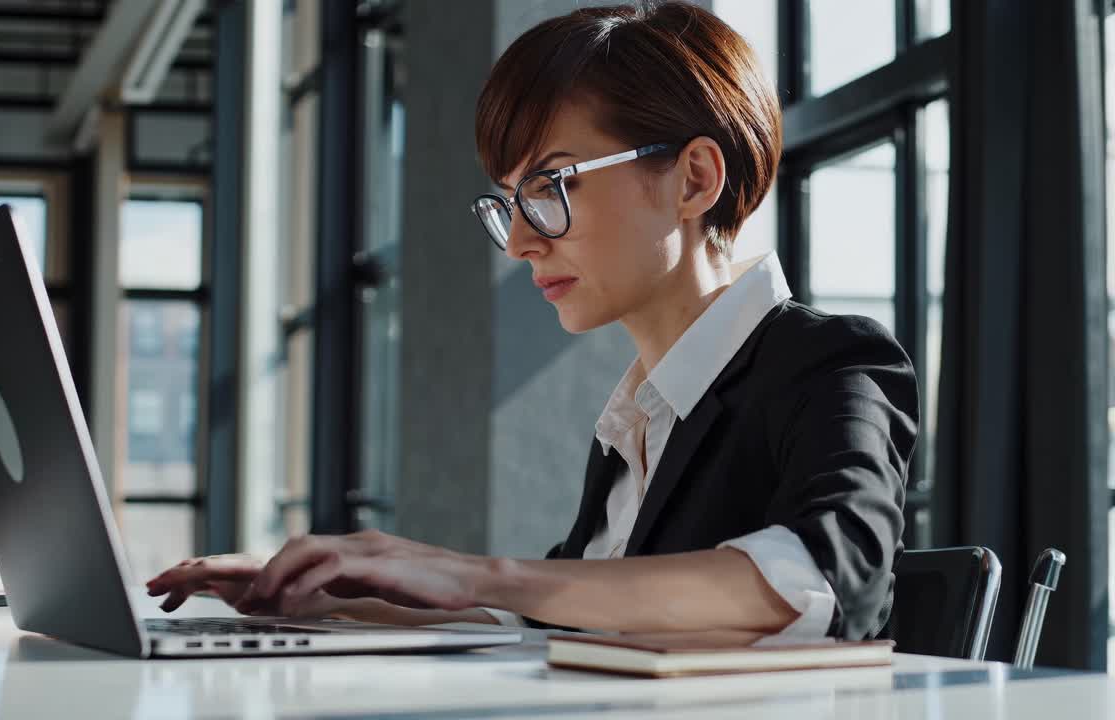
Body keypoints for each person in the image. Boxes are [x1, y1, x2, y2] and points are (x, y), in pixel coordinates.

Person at [146, 0, 918, 641]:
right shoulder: (637, 419)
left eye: (552, 186)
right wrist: (328, 603)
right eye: (509, 201)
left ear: (694, 178)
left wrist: (462, 569)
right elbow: (541, 623)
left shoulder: (831, 364)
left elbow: (821, 579)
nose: (519, 240)